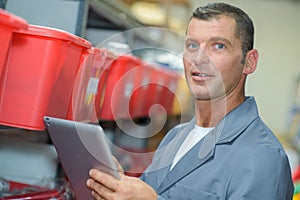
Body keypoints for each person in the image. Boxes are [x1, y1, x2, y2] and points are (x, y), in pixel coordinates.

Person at [86, 2, 294, 199]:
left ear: (249, 62)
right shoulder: (175, 136)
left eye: (218, 46)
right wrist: (120, 187)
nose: (199, 59)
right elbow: (153, 191)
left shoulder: (263, 158)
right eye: (192, 45)